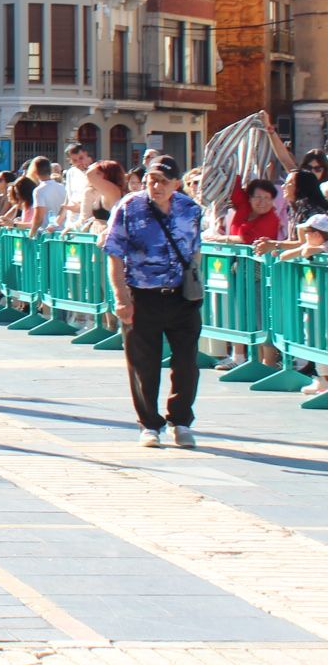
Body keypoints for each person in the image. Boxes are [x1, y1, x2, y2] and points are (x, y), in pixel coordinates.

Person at [102, 156, 203, 448]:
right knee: (143, 363)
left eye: (162, 181)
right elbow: (114, 253)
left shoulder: (190, 210)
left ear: (176, 184)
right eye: (151, 180)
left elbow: (195, 253)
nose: (155, 186)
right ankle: (149, 424)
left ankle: (181, 420)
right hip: (142, 295)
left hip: (181, 297)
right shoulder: (130, 207)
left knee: (186, 362)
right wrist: (121, 298)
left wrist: (195, 285)